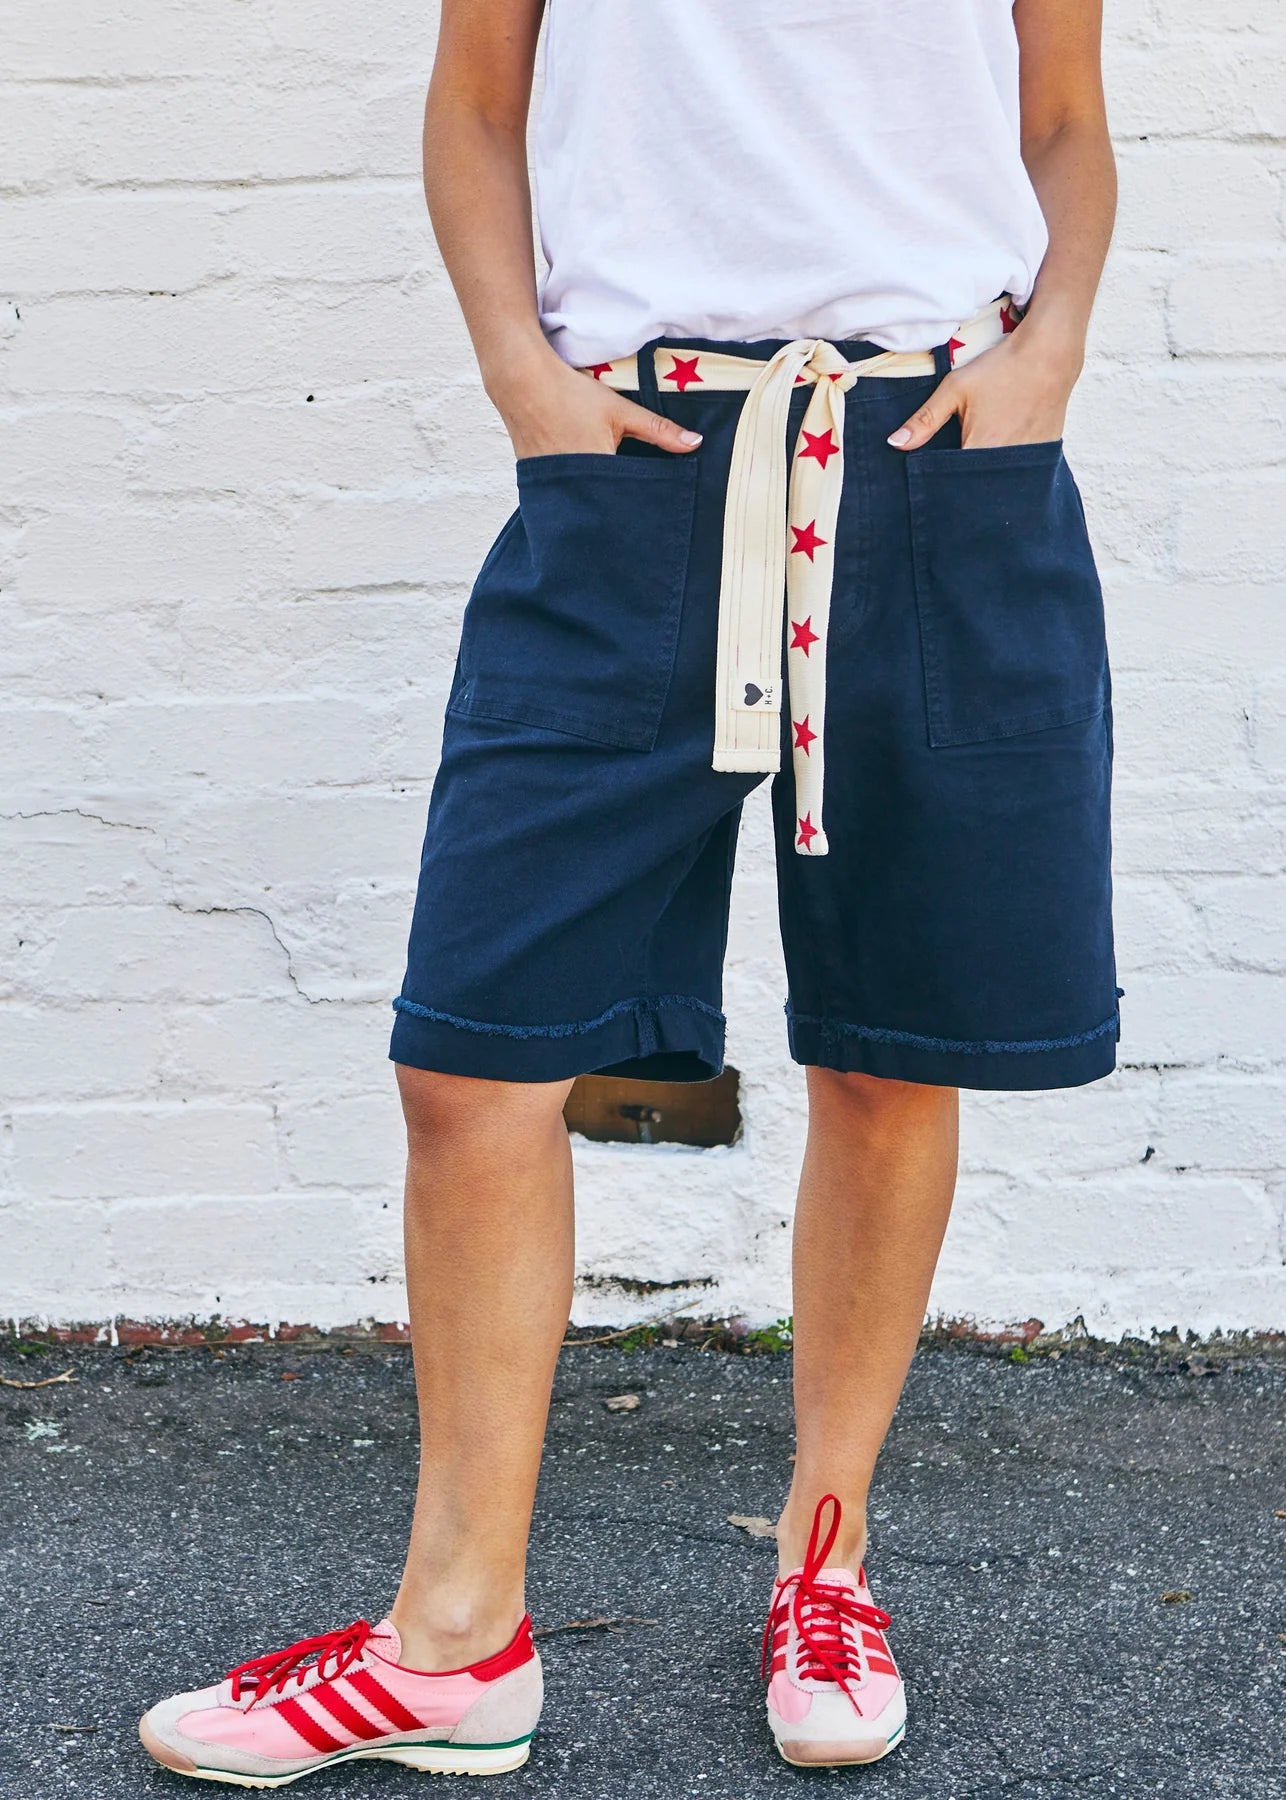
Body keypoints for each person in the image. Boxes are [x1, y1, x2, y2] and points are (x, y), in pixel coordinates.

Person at [140, 0, 1118, 1782]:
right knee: (474, 1054)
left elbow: (1060, 113)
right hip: (633, 468)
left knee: (891, 1048)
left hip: (935, 461)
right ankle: (455, 1645)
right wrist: (523, 375)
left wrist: (1049, 348)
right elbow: (476, 100)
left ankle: (826, 1566)